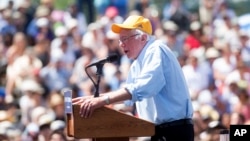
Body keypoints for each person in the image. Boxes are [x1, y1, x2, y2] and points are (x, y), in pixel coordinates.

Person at [72, 15, 194, 141]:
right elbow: (129, 99)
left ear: (143, 37)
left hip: (174, 131)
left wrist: (104, 100)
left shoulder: (156, 49)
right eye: (120, 40)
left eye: (125, 39)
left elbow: (143, 88)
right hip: (155, 132)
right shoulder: (136, 63)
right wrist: (96, 99)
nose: (120, 44)